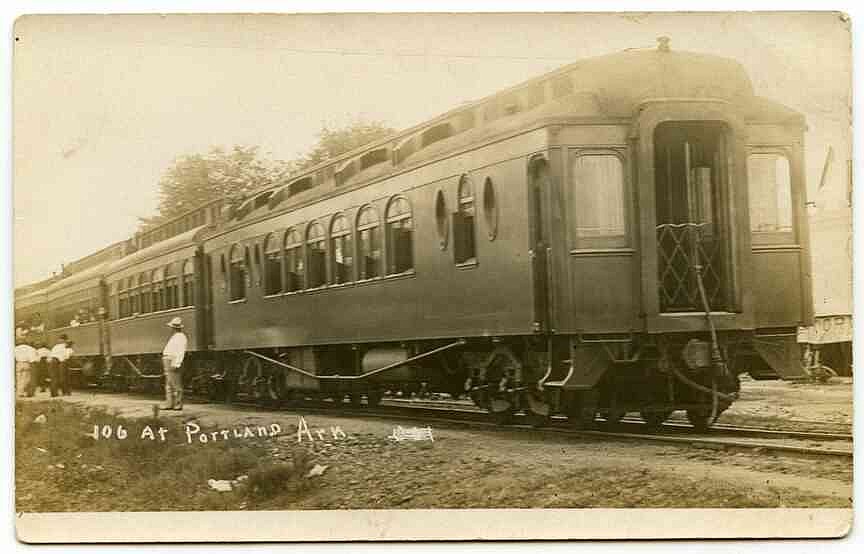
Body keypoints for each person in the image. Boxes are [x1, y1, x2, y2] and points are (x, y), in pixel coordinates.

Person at [161, 317, 188, 410]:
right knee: (169, 384)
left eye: (171, 327)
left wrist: (176, 363)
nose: (170, 329)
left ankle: (178, 404)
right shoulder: (175, 337)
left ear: (174, 328)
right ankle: (169, 404)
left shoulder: (181, 337)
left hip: (172, 360)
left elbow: (180, 352)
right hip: (168, 359)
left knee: (176, 384)